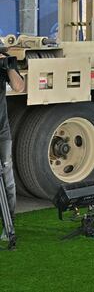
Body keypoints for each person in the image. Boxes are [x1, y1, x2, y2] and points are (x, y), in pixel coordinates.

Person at [0, 52, 24, 241]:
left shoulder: (4, 61)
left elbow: (18, 86)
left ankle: (9, 225)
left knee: (7, 180)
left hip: (1, 133)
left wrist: (7, 65)